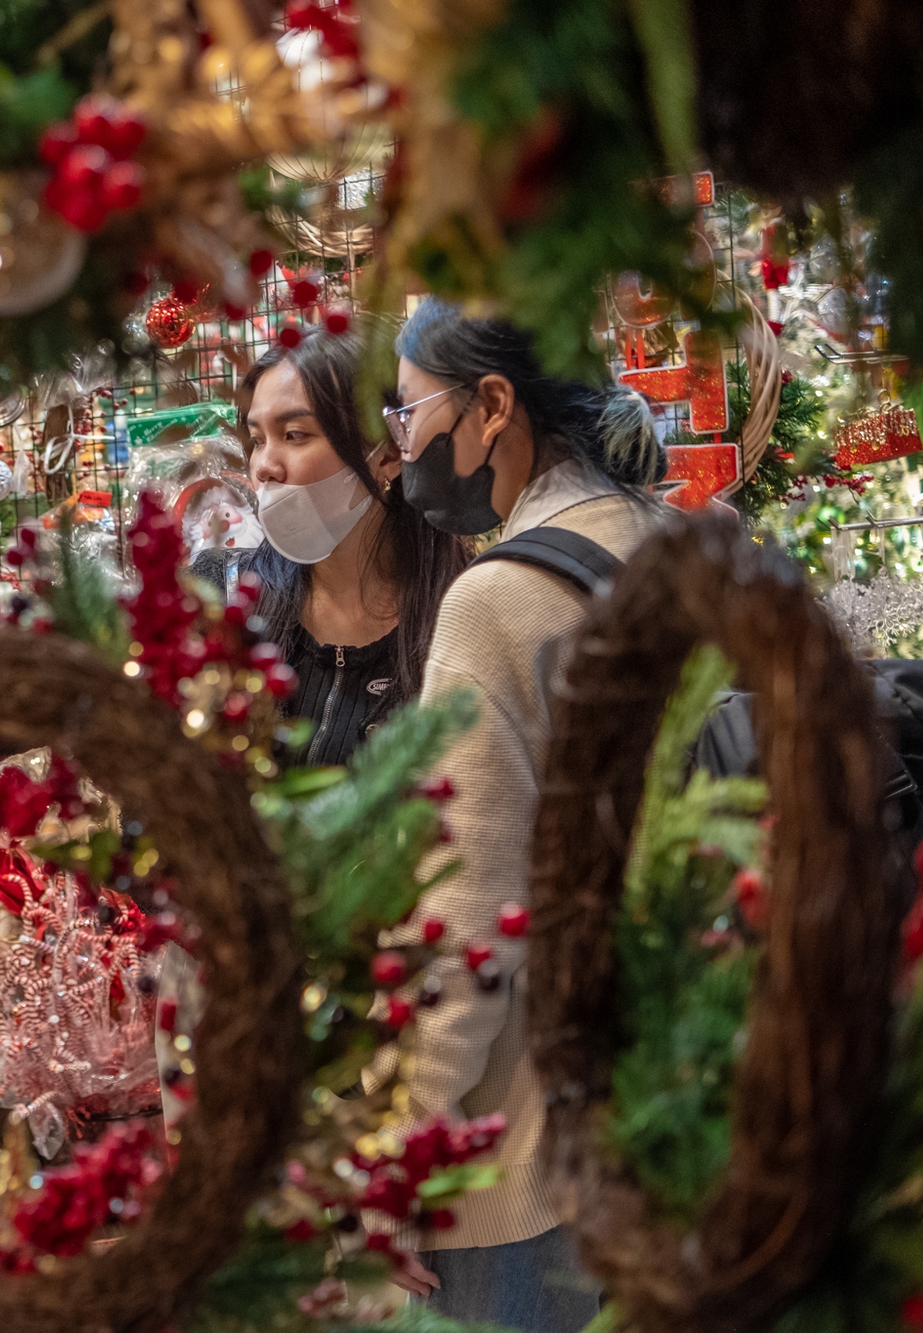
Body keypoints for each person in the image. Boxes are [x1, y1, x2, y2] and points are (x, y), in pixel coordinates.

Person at [383, 300, 668, 1331]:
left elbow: (466, 914)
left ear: (491, 405)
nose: (400, 442)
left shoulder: (495, 600)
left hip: (522, 1165)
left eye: (406, 410)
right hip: (671, 1118)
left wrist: (392, 1155)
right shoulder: (672, 546)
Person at [192, 330, 474, 763]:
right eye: (257, 439)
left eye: (294, 435)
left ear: (388, 455)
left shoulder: (457, 621)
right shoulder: (220, 594)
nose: (265, 465)